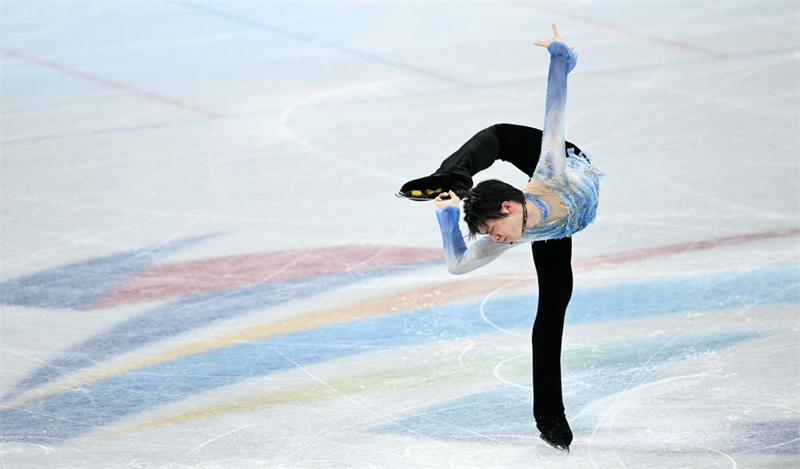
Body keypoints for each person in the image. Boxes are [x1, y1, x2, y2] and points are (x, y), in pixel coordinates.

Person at [397, 25, 604, 452]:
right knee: (551, 310)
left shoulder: (552, 168)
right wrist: (448, 217)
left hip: (564, 172)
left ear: (507, 209)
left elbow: (555, 107)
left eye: (493, 230)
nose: (496, 242)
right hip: (549, 229)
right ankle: (550, 419)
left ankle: (457, 180)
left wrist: (560, 57)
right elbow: (459, 265)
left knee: (502, 135)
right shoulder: (507, 232)